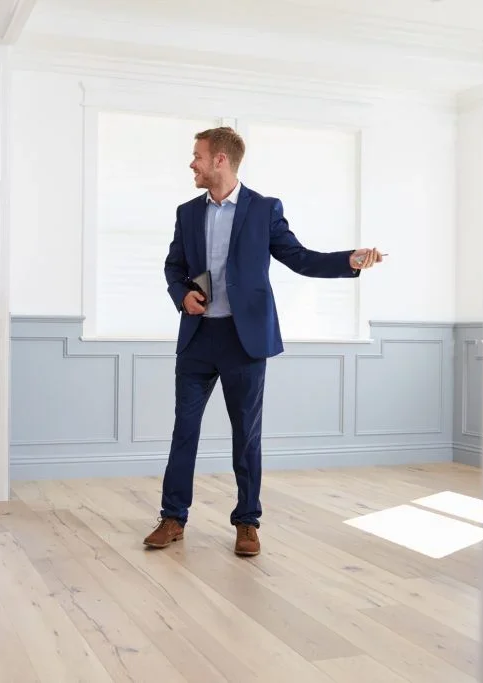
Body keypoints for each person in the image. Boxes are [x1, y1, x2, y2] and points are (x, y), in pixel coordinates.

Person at [144, 126, 383, 557]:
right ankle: (173, 517)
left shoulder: (263, 210)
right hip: (198, 339)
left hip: (245, 341)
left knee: (247, 436)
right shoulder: (187, 213)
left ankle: (247, 522)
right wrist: (182, 295)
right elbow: (173, 267)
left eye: (197, 156)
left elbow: (300, 258)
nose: (192, 164)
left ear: (221, 160)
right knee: (184, 430)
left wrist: (348, 261)